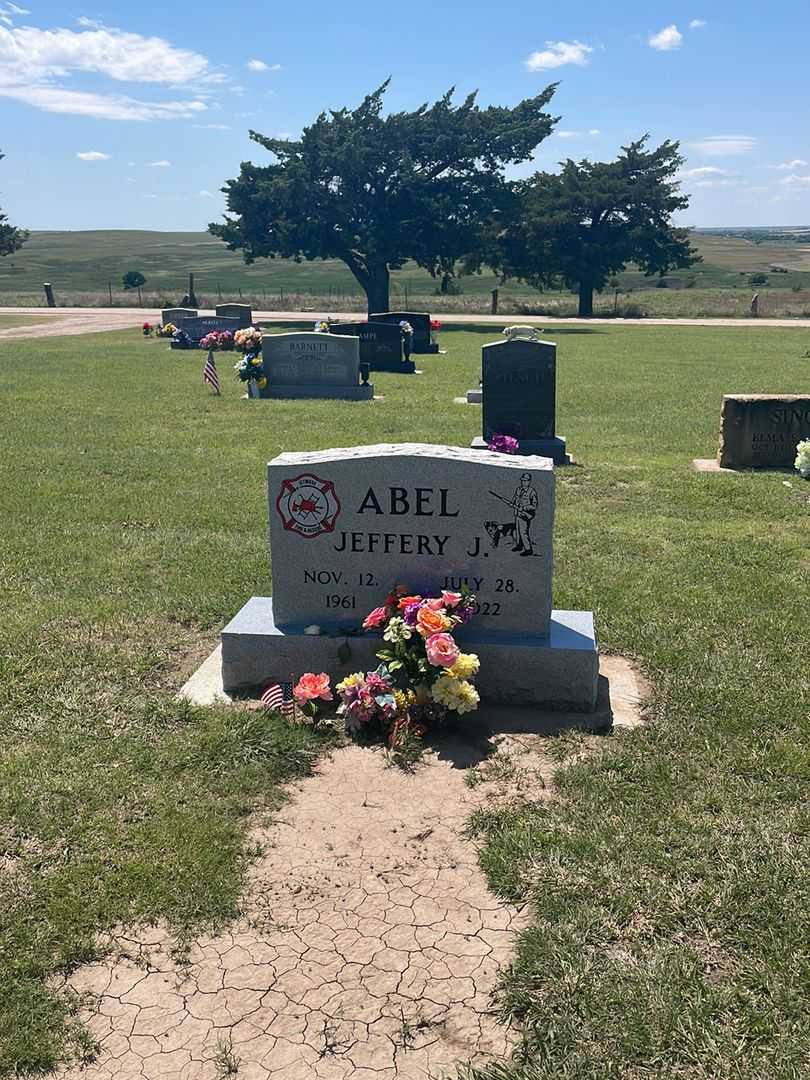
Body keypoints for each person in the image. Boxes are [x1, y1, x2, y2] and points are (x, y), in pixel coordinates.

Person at [512, 472, 538, 556]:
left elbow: (534, 505)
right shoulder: (519, 489)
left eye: (525, 481)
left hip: (525, 515)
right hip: (518, 513)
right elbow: (515, 498)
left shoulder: (532, 492)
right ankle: (519, 545)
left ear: (529, 481)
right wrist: (512, 503)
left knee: (523, 532)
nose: (523, 482)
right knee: (518, 531)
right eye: (522, 481)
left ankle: (528, 549)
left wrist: (524, 508)